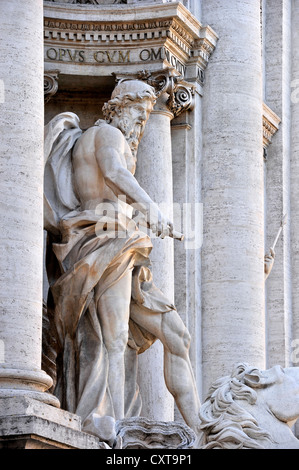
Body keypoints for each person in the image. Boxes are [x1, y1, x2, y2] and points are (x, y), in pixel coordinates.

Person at [43, 79, 201, 445]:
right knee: (114, 338)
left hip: (121, 241)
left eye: (148, 115)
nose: (142, 122)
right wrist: (150, 207)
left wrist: (139, 214)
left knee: (177, 333)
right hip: (105, 239)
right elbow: (115, 172)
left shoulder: (104, 137)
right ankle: (113, 424)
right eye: (138, 112)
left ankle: (201, 427)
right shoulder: (107, 135)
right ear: (118, 107)